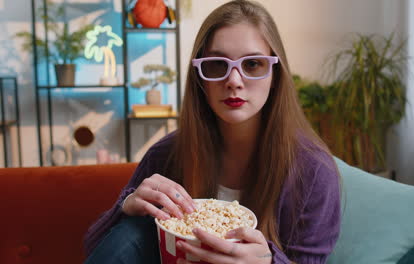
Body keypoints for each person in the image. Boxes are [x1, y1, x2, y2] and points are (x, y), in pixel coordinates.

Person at [84, 0, 341, 263]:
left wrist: (268, 261)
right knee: (134, 229)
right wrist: (126, 207)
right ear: (199, 77)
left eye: (252, 64)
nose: (234, 81)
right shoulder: (167, 154)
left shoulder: (313, 170)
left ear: (275, 74)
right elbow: (96, 250)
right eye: (217, 65)